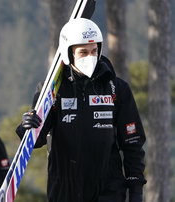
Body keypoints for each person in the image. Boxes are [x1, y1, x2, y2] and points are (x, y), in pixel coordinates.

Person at [17, 18, 146, 202]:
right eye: (83, 52)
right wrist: (26, 125)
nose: (90, 57)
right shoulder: (52, 90)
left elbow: (132, 142)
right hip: (66, 189)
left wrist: (136, 189)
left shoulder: (116, 88)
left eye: (94, 51)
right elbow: (36, 139)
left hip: (108, 189)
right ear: (69, 53)